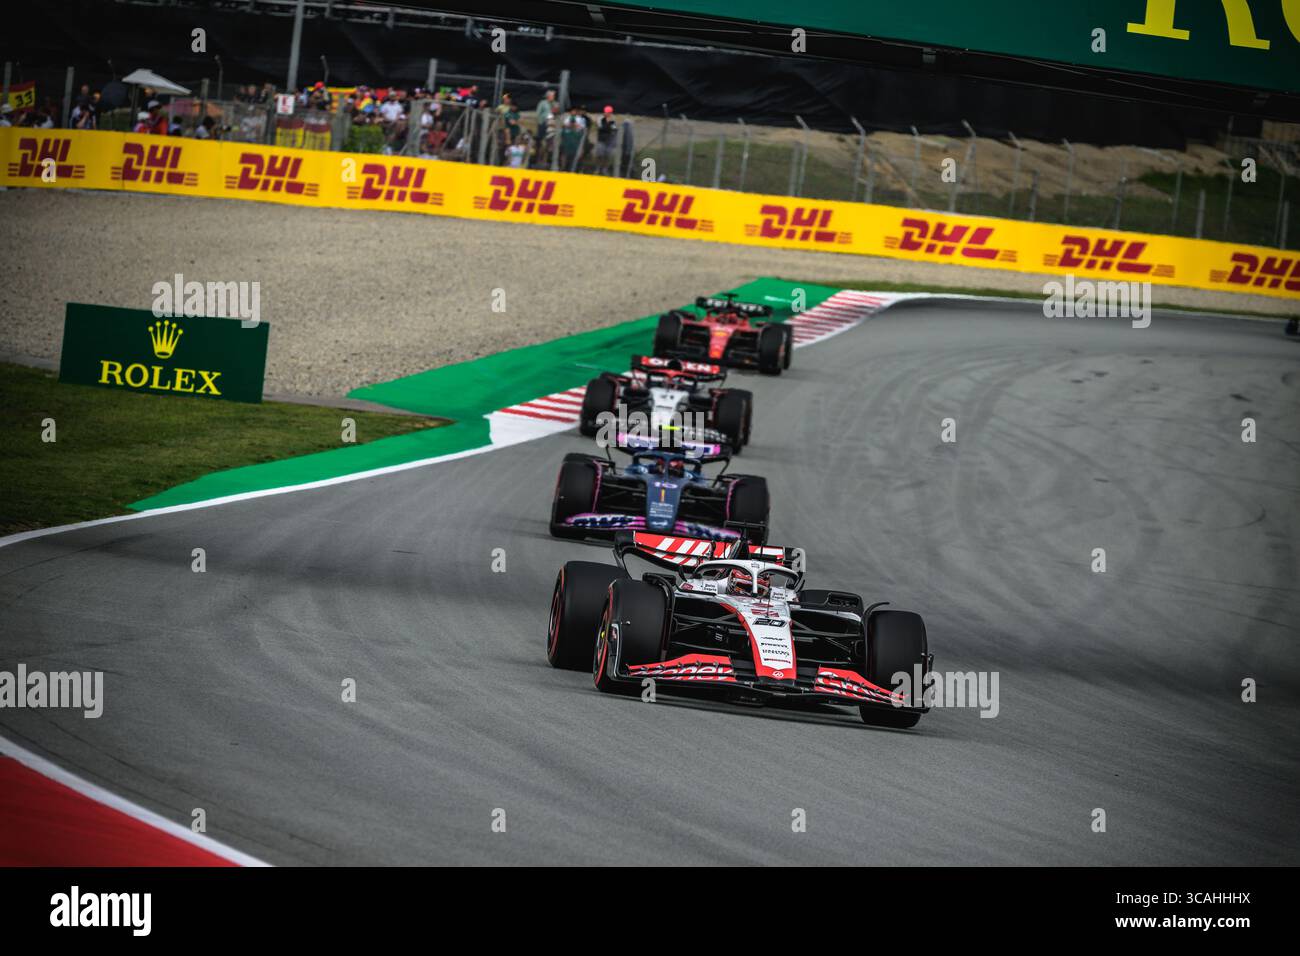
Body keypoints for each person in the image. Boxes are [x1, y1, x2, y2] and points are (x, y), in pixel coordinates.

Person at [594, 105, 618, 174]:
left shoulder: (612, 120)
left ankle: (605, 169)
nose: (608, 114)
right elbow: (602, 128)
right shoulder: (600, 119)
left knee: (607, 155)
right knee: (600, 154)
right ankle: (598, 168)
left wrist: (610, 125)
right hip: (601, 140)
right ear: (604, 112)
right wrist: (608, 123)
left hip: (609, 140)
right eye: (607, 112)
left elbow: (614, 129)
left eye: (610, 112)